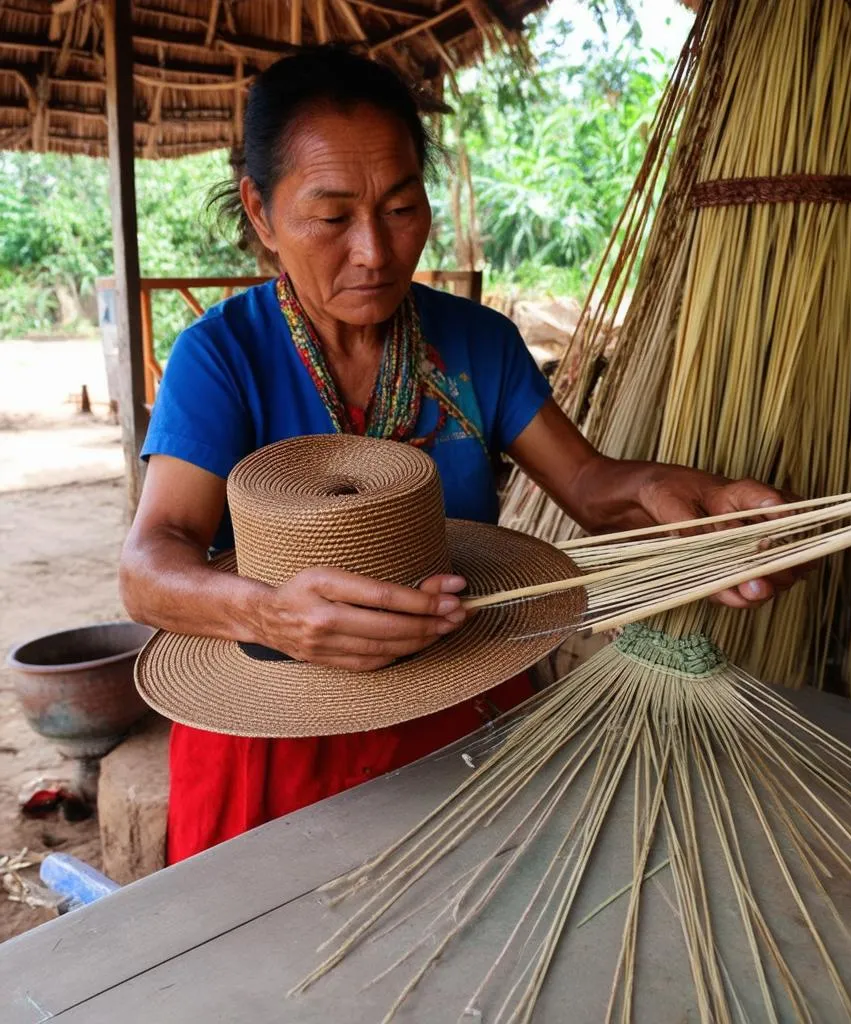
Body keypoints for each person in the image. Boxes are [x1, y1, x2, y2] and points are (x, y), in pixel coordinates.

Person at [119, 45, 797, 863]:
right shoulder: (222, 358)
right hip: (278, 725)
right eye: (332, 217)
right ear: (261, 213)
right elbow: (149, 564)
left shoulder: (477, 342)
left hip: (461, 696)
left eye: (402, 209)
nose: (374, 250)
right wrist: (267, 613)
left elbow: (586, 483)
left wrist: (676, 495)